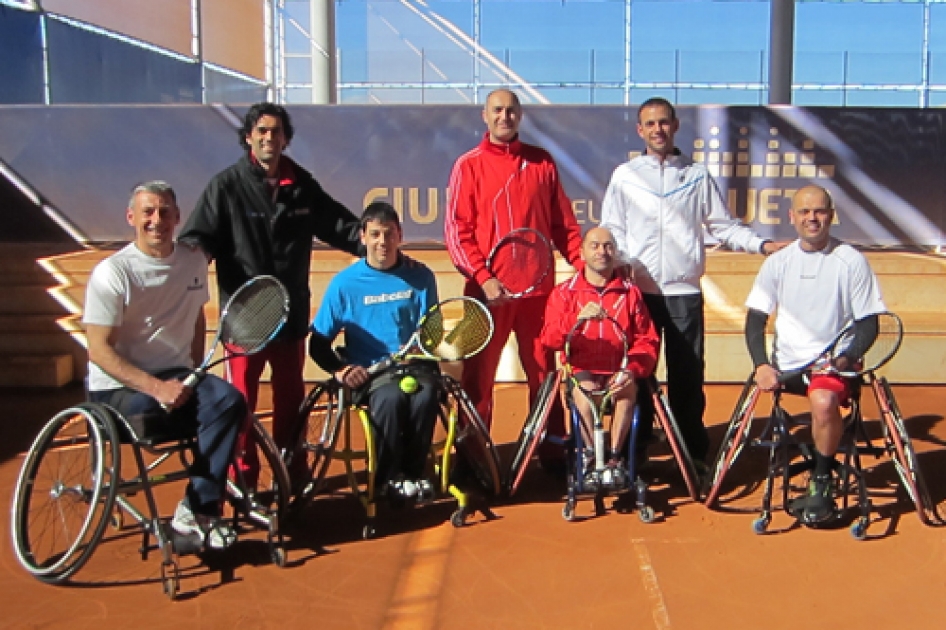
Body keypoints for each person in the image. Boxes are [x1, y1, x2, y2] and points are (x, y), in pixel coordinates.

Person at [180, 102, 363, 485]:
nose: (269, 138)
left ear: (286, 139)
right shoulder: (226, 186)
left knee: (291, 405)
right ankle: (243, 480)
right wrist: (188, 262)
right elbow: (199, 238)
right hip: (244, 322)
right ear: (248, 137)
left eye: (276, 132)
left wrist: (378, 246)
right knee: (240, 406)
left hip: (291, 318)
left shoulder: (301, 185)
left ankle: (291, 474)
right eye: (261, 131)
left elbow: (341, 226)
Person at [600, 96, 781, 466]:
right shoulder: (625, 176)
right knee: (637, 376)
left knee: (687, 379)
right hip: (638, 295)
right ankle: (635, 454)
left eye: (664, 122)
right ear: (640, 130)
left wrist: (762, 245)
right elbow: (612, 231)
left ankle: (692, 455)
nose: (658, 130)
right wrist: (618, 265)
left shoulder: (696, 175)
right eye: (650, 124)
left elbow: (723, 226)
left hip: (684, 294)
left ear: (676, 125)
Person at [84, 181, 245, 550]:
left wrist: (194, 371)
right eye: (147, 212)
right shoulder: (113, 273)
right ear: (131, 218)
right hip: (118, 389)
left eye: (164, 212)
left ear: (177, 217)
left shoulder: (192, 261)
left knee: (228, 402)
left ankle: (197, 511)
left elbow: (196, 319)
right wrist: (156, 388)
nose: (156, 220)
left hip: (174, 376)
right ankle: (205, 503)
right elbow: (98, 350)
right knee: (165, 415)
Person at [445, 88, 583, 463]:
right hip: (488, 294)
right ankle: (474, 459)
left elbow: (564, 225)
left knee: (544, 375)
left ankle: (552, 452)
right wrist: (484, 277)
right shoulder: (468, 165)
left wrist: (585, 269)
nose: (504, 116)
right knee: (478, 380)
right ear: (484, 116)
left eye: (511, 110)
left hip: (538, 296)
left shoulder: (542, 163)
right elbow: (457, 231)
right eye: (497, 110)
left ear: (520, 116)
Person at [744, 184, 885, 523]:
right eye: (804, 212)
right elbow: (755, 320)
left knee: (823, 402)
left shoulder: (851, 261)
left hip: (831, 368)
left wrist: (845, 360)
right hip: (787, 369)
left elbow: (869, 325)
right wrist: (761, 365)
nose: (812, 218)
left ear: (831, 216)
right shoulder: (778, 264)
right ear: (792, 217)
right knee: (809, 395)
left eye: (819, 211)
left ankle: (821, 479)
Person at [308, 202, 442, 500]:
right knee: (392, 399)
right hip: (371, 374)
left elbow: (432, 331)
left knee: (425, 396)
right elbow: (317, 344)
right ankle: (387, 479)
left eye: (390, 234)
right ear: (363, 237)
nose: (383, 242)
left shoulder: (421, 276)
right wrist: (341, 370)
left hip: (415, 366)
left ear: (400, 236)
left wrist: (423, 348)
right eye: (376, 234)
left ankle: (414, 474)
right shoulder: (343, 285)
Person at [541, 227, 660, 480]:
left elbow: (647, 340)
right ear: (582, 252)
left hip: (619, 367)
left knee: (626, 390)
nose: (601, 252)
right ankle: (591, 456)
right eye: (594, 246)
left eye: (608, 246)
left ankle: (615, 458)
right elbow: (549, 339)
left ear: (615, 253)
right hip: (582, 367)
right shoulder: (564, 293)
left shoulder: (630, 293)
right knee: (585, 391)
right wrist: (576, 319)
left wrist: (632, 370)